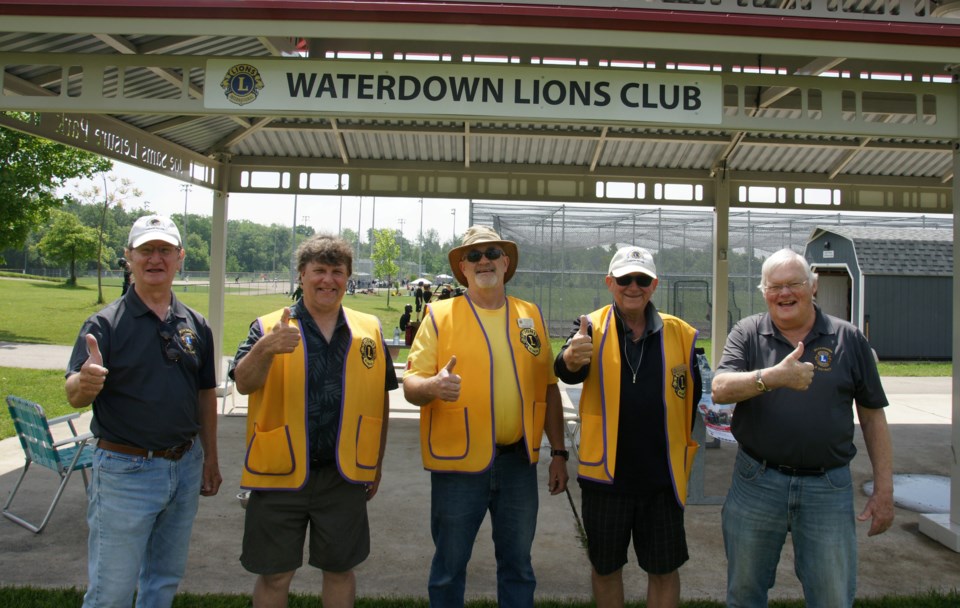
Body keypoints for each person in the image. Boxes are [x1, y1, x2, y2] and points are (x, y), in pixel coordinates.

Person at [711, 248, 893, 608]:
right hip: (757, 482)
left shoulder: (848, 339)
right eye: (774, 286)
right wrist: (773, 378)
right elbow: (720, 388)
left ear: (813, 286)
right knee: (745, 593)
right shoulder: (748, 332)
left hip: (828, 487)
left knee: (832, 596)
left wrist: (884, 490)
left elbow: (872, 416)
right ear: (764, 292)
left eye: (794, 284)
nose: (784, 294)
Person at [403, 225, 569, 608]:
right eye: (474, 256)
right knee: (448, 568)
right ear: (462, 267)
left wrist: (558, 452)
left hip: (518, 464)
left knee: (518, 567)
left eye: (492, 253)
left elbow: (547, 388)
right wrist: (433, 387)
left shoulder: (530, 315)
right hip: (458, 466)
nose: (484, 261)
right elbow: (411, 384)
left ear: (505, 261)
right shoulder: (439, 315)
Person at [230, 234, 398, 608]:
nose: (328, 280)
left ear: (348, 277)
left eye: (337, 272)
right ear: (301, 275)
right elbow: (243, 383)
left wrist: (377, 462)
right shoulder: (269, 326)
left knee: (340, 570)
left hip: (343, 475)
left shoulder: (368, 329)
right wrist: (265, 349)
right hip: (278, 472)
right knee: (275, 574)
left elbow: (380, 399)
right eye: (318, 271)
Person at [65, 214, 222, 608]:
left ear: (180, 257)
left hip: (184, 466)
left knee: (162, 582)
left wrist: (210, 459)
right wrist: (83, 383)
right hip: (124, 471)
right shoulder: (104, 323)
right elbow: (74, 393)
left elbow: (205, 394)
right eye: (146, 250)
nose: (156, 258)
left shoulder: (195, 325)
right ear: (128, 258)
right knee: (111, 592)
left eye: (165, 250)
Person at [554, 245, 701, 608]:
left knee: (665, 570)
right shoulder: (589, 325)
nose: (633, 286)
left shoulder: (681, 334)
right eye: (624, 279)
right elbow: (567, 366)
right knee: (605, 569)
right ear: (610, 283)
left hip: (662, 480)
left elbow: (691, 401)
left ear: (654, 285)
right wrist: (572, 357)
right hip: (606, 479)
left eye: (642, 279)